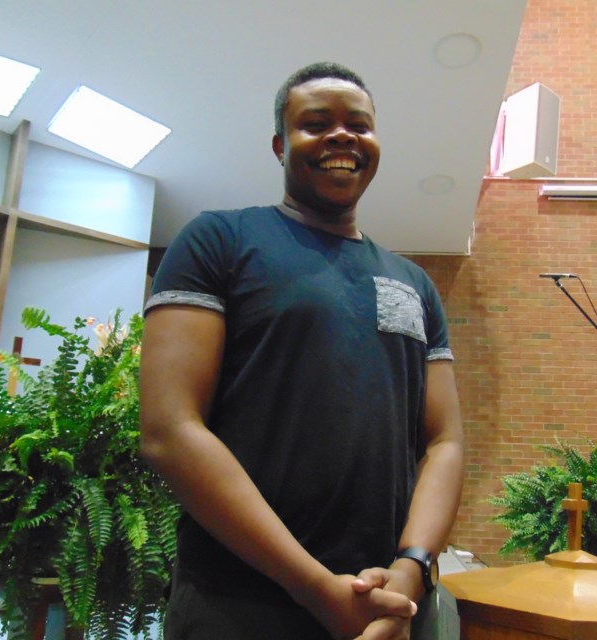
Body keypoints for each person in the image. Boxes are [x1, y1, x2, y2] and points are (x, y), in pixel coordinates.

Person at [139, 61, 464, 640]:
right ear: (279, 145)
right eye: (316, 123)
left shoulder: (414, 282)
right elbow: (169, 429)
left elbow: (444, 441)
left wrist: (410, 569)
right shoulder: (221, 240)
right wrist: (315, 588)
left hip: (387, 606)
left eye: (359, 125)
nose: (342, 135)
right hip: (238, 604)